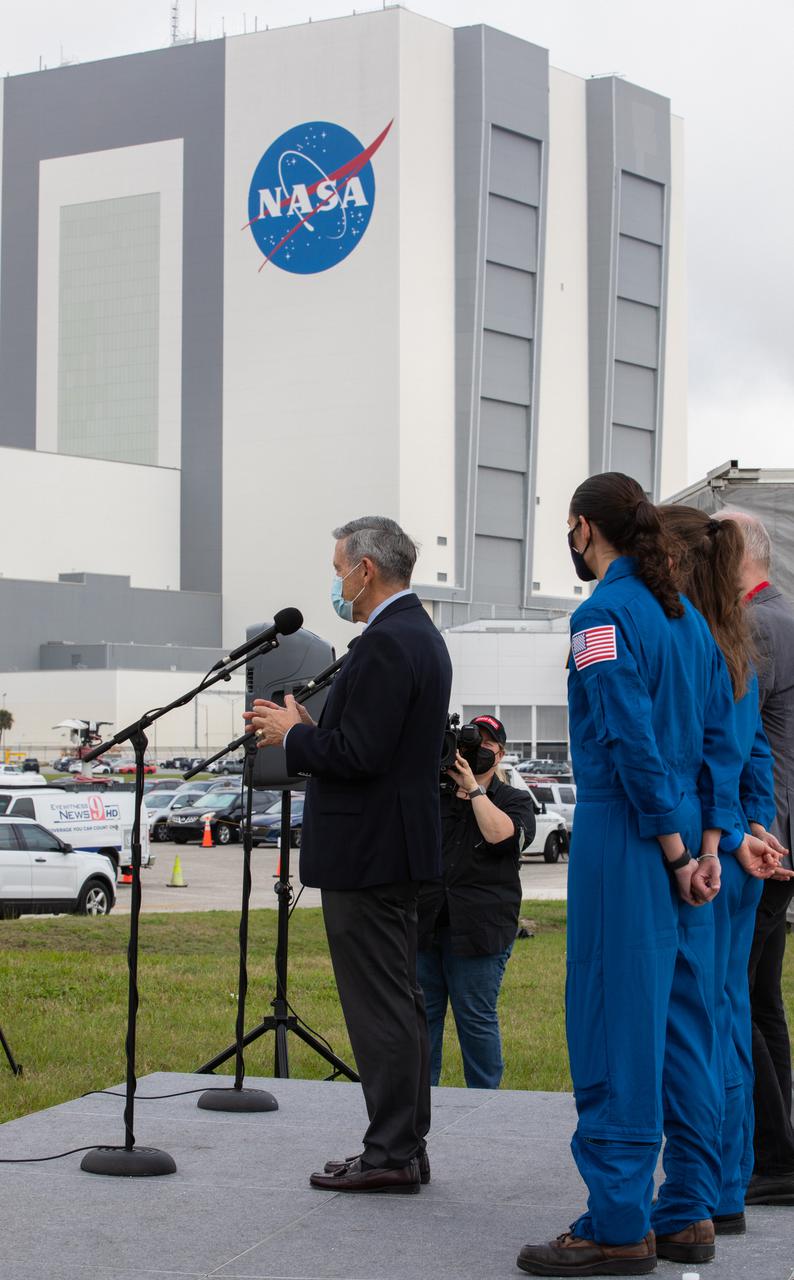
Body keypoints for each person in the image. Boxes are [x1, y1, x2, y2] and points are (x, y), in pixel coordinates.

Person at [517, 473, 743, 1278]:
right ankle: (687, 1213)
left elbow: (627, 740)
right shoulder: (688, 621)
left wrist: (675, 853)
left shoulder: (601, 615)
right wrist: (708, 846)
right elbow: (722, 742)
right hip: (692, 839)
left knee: (617, 1023)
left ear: (583, 528)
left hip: (631, 839)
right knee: (687, 1030)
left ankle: (616, 1224)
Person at [247, 516, 452, 1195]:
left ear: (366, 571)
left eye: (340, 570)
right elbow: (375, 744)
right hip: (392, 847)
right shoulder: (414, 635)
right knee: (399, 1002)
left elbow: (360, 757)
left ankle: (391, 1150)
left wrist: (290, 737)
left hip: (370, 853)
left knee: (381, 1009)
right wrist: (314, 728)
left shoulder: (389, 644)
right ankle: (402, 1146)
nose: (338, 583)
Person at [659, 505, 789, 1233]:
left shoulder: (700, 641)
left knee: (700, 1023)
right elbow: (750, 756)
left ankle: (701, 1192)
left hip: (713, 856)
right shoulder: (732, 639)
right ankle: (727, 1188)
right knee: (732, 1018)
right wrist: (752, 829)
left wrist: (726, 838)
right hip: (740, 850)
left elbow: (701, 759)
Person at [714, 508, 794, 1206]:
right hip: (774, 831)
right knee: (761, 998)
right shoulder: (777, 617)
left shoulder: (758, 627)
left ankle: (770, 1155)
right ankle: (778, 1149)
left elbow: (732, 732)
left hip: (761, 837)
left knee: (735, 996)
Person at [416, 714, 535, 1089]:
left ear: (499, 755)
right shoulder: (433, 794)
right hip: (426, 924)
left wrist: (474, 788)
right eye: (469, 744)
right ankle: (419, 1104)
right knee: (422, 1020)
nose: (475, 752)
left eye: (485, 745)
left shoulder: (514, 799)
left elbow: (502, 837)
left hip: (481, 930)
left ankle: (486, 1104)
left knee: (476, 1021)